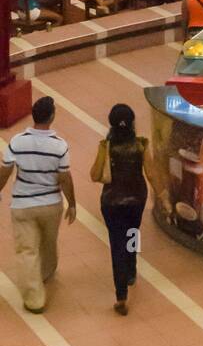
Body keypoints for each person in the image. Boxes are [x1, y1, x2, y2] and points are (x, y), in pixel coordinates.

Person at [0, 96, 76, 313]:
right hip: (51, 204)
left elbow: (4, 172)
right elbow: (64, 178)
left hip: (23, 205)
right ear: (52, 116)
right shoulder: (59, 145)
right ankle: (47, 272)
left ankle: (35, 299)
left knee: (27, 250)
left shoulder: (17, 141)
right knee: (48, 241)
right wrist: (72, 203)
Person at [90, 103, 155, 315]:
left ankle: (121, 296)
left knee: (117, 245)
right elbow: (151, 173)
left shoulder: (106, 146)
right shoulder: (141, 145)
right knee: (133, 232)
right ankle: (132, 268)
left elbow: (94, 175)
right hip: (137, 199)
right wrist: (162, 196)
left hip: (112, 202)